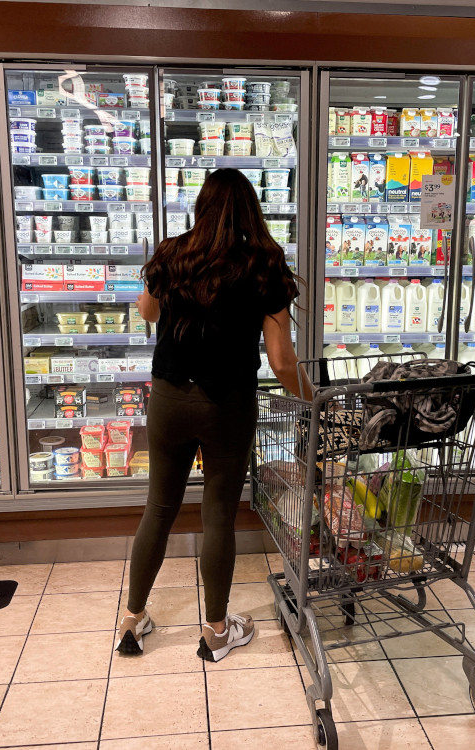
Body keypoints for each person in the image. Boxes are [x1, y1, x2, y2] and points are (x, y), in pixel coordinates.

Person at [117, 168, 310, 662]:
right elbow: (282, 360)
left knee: (159, 509)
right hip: (228, 405)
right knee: (218, 514)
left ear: (201, 207)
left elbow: (147, 312)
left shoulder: (172, 253)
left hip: (168, 399)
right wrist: (311, 398)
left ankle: (133, 622)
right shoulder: (264, 265)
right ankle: (217, 631)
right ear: (251, 210)